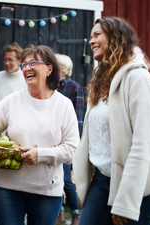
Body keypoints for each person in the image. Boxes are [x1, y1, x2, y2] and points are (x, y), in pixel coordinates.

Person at [73, 17, 150, 225]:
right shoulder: (100, 81)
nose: (91, 41)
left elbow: (141, 144)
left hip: (138, 184)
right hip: (102, 181)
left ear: (115, 38)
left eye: (97, 35)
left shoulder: (138, 79)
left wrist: (126, 200)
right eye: (90, 36)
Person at [0, 45, 80, 225]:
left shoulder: (63, 105)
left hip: (46, 191)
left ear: (49, 69)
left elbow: (72, 150)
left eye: (33, 63)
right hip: (6, 188)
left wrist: (39, 154)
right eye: (24, 64)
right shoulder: (11, 101)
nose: (27, 68)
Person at [55, 53, 84, 225]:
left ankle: (75, 214)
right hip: (50, 142)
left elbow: (79, 121)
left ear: (62, 67)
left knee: (65, 179)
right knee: (53, 178)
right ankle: (60, 215)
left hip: (66, 144)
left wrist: (74, 146)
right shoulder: (49, 86)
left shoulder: (75, 88)